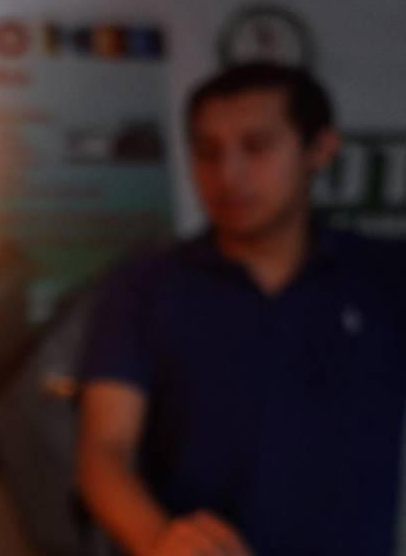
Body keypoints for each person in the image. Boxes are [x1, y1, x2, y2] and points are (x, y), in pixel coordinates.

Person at [76, 62, 406, 556]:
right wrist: (161, 541)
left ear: (320, 149)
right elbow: (104, 450)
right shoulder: (145, 284)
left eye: (257, 146)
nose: (228, 175)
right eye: (208, 152)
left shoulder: (384, 276)